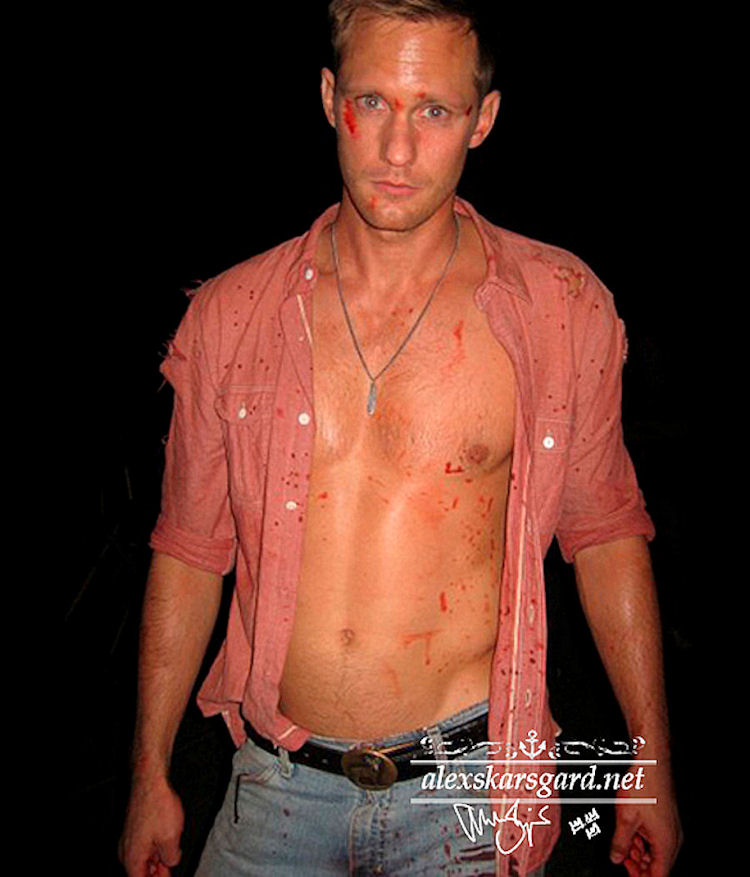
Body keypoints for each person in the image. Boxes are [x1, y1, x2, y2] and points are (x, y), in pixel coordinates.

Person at [119, 1, 682, 875]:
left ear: (482, 120)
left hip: (469, 791)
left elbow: (607, 533)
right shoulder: (234, 314)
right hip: (273, 788)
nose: (396, 148)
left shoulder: (559, 308)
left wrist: (650, 764)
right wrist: (148, 774)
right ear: (328, 97)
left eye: (434, 110)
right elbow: (190, 550)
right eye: (372, 102)